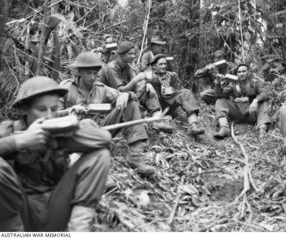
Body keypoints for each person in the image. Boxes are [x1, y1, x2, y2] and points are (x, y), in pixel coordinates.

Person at [0, 76, 111, 231]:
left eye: (54, 109)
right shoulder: (8, 130)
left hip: (56, 209)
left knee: (100, 156)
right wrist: (21, 141)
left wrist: (58, 140)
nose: (49, 115)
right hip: (20, 212)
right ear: (25, 109)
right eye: (41, 109)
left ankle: (78, 230)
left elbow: (104, 138)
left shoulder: (61, 132)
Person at [60, 51, 155, 176]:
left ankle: (136, 156)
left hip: (100, 130)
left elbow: (125, 95)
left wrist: (126, 95)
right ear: (79, 72)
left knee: (130, 105)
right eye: (89, 73)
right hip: (75, 135)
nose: (93, 77)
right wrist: (70, 111)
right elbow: (52, 116)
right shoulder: (66, 88)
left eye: (95, 73)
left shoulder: (101, 88)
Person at [98, 41, 173, 133]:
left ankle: (157, 120)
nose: (133, 56)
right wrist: (136, 80)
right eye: (130, 54)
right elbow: (120, 91)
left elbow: (137, 86)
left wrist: (145, 85)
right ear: (121, 54)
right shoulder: (111, 68)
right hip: (110, 101)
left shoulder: (127, 67)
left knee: (148, 89)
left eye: (134, 53)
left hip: (123, 97)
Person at [147, 54, 204, 136]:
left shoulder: (172, 75)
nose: (163, 66)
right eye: (160, 64)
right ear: (154, 66)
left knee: (186, 92)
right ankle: (160, 123)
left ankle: (193, 126)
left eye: (165, 64)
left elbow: (179, 90)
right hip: (156, 107)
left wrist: (171, 89)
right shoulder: (151, 77)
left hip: (170, 104)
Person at [214, 63, 271, 139]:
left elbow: (265, 93)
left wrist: (255, 101)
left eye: (244, 71)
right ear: (237, 74)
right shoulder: (233, 84)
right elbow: (219, 96)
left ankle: (262, 129)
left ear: (248, 72)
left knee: (263, 102)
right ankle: (224, 128)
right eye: (239, 72)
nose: (241, 74)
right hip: (239, 113)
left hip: (252, 113)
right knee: (220, 101)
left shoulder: (255, 82)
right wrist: (218, 83)